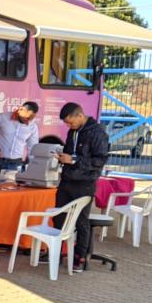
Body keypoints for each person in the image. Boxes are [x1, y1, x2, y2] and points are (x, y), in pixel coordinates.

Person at [55, 102, 110, 273]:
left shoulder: (97, 133)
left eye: (70, 122)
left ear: (80, 115)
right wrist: (62, 157)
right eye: (66, 123)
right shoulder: (73, 131)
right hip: (67, 180)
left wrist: (73, 160)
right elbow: (70, 152)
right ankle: (56, 252)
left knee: (81, 221)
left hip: (84, 183)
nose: (68, 126)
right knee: (59, 217)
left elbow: (100, 160)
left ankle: (80, 258)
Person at [0, 101, 40, 171]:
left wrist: (33, 166)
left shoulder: (33, 126)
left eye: (29, 118)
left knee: (12, 182)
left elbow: (33, 148)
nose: (26, 120)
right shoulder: (2, 117)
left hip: (16, 164)